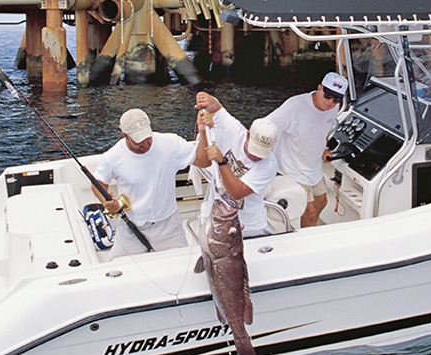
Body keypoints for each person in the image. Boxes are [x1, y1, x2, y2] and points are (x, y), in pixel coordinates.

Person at [92, 108, 198, 256]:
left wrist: (204, 132)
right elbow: (98, 182)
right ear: (125, 135)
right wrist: (105, 201)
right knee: (118, 271)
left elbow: (203, 160)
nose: (145, 144)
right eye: (138, 140)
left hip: (168, 225)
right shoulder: (113, 156)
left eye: (147, 138)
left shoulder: (171, 143)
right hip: (130, 223)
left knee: (180, 264)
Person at [267, 71, 348, 226]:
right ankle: (307, 240)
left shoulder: (333, 108)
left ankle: (307, 231)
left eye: (336, 99)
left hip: (312, 167)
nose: (330, 102)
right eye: (327, 96)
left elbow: (323, 131)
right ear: (319, 88)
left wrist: (324, 149)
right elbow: (266, 127)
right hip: (292, 168)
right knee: (310, 211)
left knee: (322, 202)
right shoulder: (295, 106)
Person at [194, 91, 279, 237]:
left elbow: (237, 192)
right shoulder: (234, 130)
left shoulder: (269, 165)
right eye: (254, 150)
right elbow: (217, 107)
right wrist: (206, 100)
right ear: (247, 135)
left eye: (261, 153)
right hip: (216, 218)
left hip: (249, 227)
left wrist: (222, 162)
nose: (256, 156)